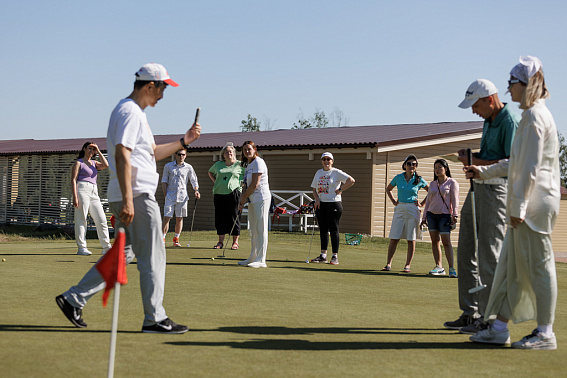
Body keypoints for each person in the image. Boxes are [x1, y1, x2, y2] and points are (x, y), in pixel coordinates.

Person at [56, 63, 201, 334]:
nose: (162, 95)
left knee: (124, 254)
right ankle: (154, 318)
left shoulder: (135, 114)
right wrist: (128, 200)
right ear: (149, 86)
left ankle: (73, 299)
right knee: (154, 254)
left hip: (130, 194)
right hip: (135, 194)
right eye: (162, 88)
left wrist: (185, 141)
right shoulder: (129, 112)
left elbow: (152, 152)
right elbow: (122, 154)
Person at [467, 56, 560, 350]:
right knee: (510, 268)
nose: (508, 89)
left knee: (540, 268)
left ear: (525, 84)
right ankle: (498, 327)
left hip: (534, 206)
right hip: (527, 205)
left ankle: (545, 333)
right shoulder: (531, 115)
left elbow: (530, 168)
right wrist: (483, 172)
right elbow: (515, 162)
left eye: (511, 83)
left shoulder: (535, 117)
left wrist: (518, 208)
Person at [444, 79, 520, 335]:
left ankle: (490, 319)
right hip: (478, 188)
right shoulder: (489, 119)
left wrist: (474, 160)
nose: (473, 111)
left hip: (497, 191)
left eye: (475, 105)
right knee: (466, 251)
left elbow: (512, 161)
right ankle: (471, 313)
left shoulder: (509, 121)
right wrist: (473, 158)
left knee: (490, 256)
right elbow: (491, 156)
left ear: (490, 100)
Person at [381, 154, 428, 273]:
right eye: (409, 164)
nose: (411, 166)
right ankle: (388, 264)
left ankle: (407, 265)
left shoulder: (419, 179)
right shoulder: (398, 177)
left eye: (414, 164)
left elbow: (431, 191)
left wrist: (422, 204)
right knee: (394, 237)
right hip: (400, 207)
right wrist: (393, 201)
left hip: (413, 208)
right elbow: (388, 189)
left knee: (411, 238)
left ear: (416, 166)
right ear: (404, 165)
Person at [309, 152, 355, 265]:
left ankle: (335, 256)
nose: (326, 161)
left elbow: (351, 180)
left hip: (334, 204)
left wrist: (340, 190)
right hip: (321, 204)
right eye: (324, 159)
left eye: (328, 159)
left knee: (334, 230)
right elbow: (314, 189)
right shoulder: (318, 173)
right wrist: (316, 199)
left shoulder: (336, 172)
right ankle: (323, 255)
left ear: (332, 161)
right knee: (323, 230)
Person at [71, 142, 112, 256]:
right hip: (82, 189)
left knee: (102, 219)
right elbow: (73, 180)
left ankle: (106, 247)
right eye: (90, 148)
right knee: (82, 218)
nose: (91, 151)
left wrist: (98, 150)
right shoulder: (79, 163)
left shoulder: (94, 163)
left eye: (93, 150)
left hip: (94, 192)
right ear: (84, 149)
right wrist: (75, 196)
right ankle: (81, 247)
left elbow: (106, 165)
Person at [420, 159, 459, 277]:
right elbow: (428, 202)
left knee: (446, 242)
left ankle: (451, 268)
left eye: (439, 167)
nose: (437, 170)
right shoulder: (432, 184)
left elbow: (455, 200)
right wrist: (424, 216)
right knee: (434, 241)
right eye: (435, 167)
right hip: (432, 215)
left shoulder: (452, 183)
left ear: (446, 169)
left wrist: (455, 214)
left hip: (445, 215)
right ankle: (439, 267)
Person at [238, 141, 271, 268]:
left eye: (249, 149)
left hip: (261, 198)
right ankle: (253, 256)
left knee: (261, 228)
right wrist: (242, 199)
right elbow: (246, 184)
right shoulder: (249, 165)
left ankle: (261, 259)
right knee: (253, 229)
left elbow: (255, 184)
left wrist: (244, 198)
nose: (247, 151)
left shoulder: (258, 162)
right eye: (245, 150)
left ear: (254, 149)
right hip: (252, 200)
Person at [208, 142, 244, 250]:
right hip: (219, 193)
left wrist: (241, 187)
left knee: (234, 217)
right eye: (227, 152)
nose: (229, 153)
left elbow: (247, 176)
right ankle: (220, 242)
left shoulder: (240, 165)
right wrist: (216, 182)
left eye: (231, 151)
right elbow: (210, 172)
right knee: (220, 218)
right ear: (223, 154)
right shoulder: (218, 165)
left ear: (234, 153)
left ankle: (235, 242)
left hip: (234, 194)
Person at [162, 148, 200, 247]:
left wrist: (196, 190)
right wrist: (165, 194)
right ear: (175, 155)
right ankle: (162, 238)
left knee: (179, 218)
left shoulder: (188, 167)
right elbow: (164, 181)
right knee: (167, 217)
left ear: (185, 155)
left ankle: (176, 239)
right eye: (179, 154)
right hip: (170, 196)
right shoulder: (168, 166)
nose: (181, 156)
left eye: (183, 154)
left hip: (182, 197)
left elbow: (193, 180)